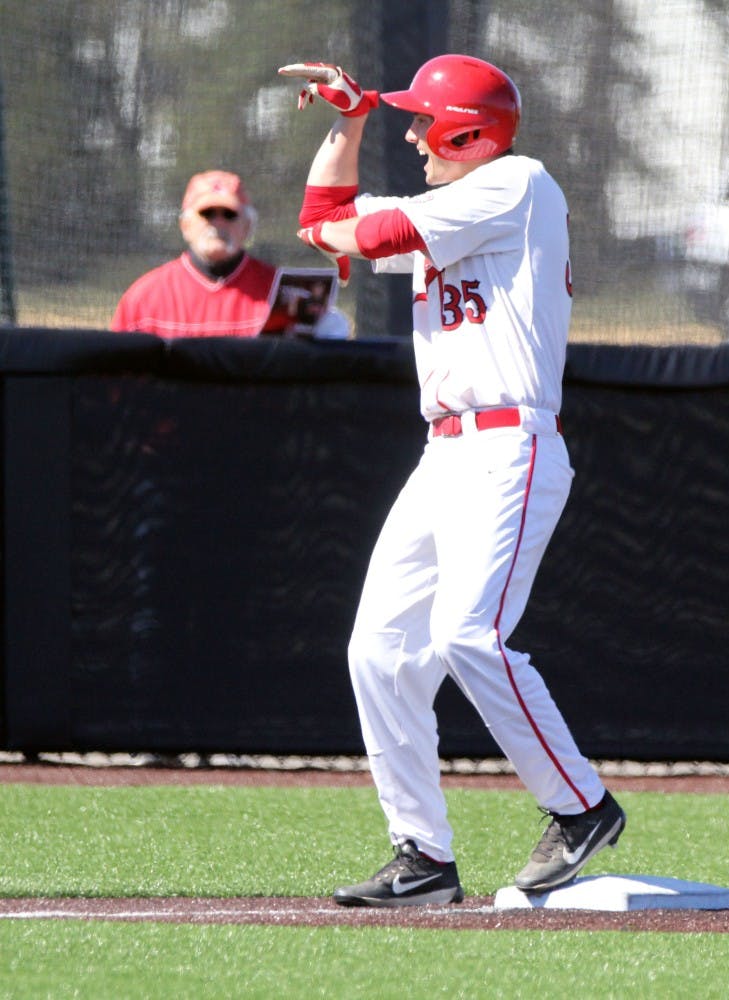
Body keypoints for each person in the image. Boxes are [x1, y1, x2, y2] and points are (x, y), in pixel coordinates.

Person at [278, 56, 626, 907]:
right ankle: (423, 857)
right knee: (379, 652)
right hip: (445, 453)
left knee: (470, 635)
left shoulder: (518, 184)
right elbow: (319, 218)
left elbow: (367, 235)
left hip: (512, 445)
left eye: (421, 120)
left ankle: (581, 806)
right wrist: (350, 117)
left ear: (470, 130)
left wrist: (346, 229)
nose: (411, 135)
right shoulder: (453, 205)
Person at [110, 170, 293, 337]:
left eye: (229, 214)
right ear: (185, 225)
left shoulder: (280, 293)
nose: (218, 223)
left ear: (247, 226)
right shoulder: (145, 298)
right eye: (207, 214)